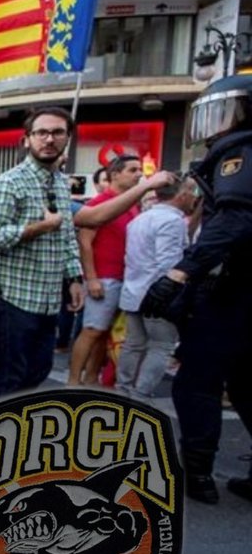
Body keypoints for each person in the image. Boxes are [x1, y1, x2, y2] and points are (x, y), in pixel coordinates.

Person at [141, 72, 252, 504]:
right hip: (240, 288)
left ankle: (199, 474)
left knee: (198, 384)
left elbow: (235, 221)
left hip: (232, 290)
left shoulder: (239, 155)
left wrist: (179, 274)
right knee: (244, 383)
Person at [0, 107, 84, 399]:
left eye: (57, 132)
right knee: (10, 378)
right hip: (14, 297)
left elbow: (66, 237)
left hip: (49, 300)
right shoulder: (8, 183)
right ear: (27, 139)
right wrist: (39, 227)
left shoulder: (62, 183)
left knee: (39, 370)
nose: (49, 139)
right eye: (41, 133)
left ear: (68, 139)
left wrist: (74, 277)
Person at [66, 154, 145, 386]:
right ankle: (72, 381)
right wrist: (91, 278)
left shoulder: (131, 205)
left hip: (123, 277)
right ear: (114, 174)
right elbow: (84, 241)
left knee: (103, 333)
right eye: (132, 170)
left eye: (139, 169)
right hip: (104, 277)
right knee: (92, 330)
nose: (139, 174)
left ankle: (91, 378)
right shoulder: (99, 202)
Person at [116, 174, 193, 399]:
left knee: (134, 344)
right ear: (182, 195)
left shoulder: (139, 219)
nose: (193, 198)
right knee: (161, 346)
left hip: (133, 291)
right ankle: (140, 394)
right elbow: (168, 264)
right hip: (157, 296)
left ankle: (123, 390)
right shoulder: (172, 221)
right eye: (191, 193)